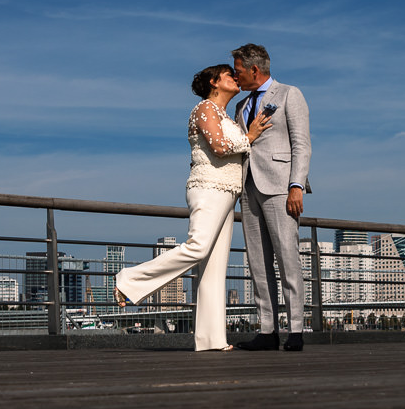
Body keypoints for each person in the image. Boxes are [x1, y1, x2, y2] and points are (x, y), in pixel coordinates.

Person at [115, 64, 272, 351]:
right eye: (229, 76)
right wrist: (249, 137)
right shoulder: (204, 109)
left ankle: (212, 340)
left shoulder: (226, 115)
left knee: (213, 268)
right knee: (198, 247)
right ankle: (129, 279)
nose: (235, 79)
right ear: (214, 82)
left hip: (228, 192)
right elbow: (220, 147)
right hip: (208, 187)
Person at [230, 43, 312, 352]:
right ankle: (267, 330)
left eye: (238, 71)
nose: (236, 77)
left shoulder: (290, 94)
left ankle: (296, 330)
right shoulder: (240, 107)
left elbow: (301, 145)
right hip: (248, 189)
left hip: (280, 187)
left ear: (254, 69)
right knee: (257, 263)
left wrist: (296, 185)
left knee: (288, 259)